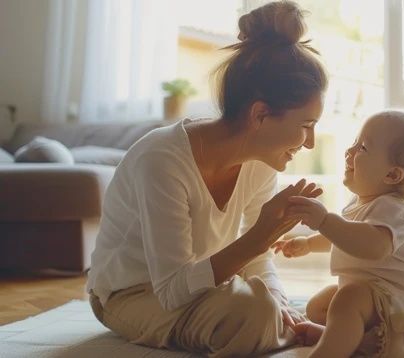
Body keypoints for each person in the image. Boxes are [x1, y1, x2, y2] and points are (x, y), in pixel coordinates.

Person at [86, 1, 329, 356]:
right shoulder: (163, 160)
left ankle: (285, 327)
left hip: (202, 287)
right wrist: (260, 237)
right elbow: (170, 290)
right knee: (254, 312)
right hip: (132, 293)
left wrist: (281, 304)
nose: (310, 142)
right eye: (306, 126)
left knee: (266, 306)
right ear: (260, 114)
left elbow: (257, 263)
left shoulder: (261, 162)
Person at [272, 110, 404, 357]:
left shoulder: (394, 210)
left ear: (392, 175)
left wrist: (324, 220)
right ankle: (351, 340)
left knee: (348, 298)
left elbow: (372, 246)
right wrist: (309, 244)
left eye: (362, 148)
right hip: (382, 317)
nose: (349, 152)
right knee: (320, 305)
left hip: (402, 316)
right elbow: (345, 237)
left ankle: (331, 351)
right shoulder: (359, 206)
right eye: (354, 143)